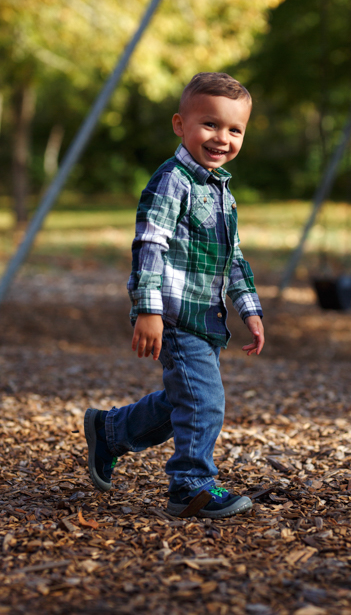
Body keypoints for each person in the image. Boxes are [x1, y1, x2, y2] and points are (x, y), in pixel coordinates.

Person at [84, 72, 265, 520]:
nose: (221, 137)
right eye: (210, 124)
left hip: (207, 318)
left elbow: (233, 259)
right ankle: (190, 487)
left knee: (183, 398)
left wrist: (250, 310)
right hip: (176, 315)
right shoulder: (172, 181)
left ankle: (110, 431)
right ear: (180, 125)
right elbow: (150, 244)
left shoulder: (222, 191)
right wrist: (148, 309)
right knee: (204, 400)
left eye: (234, 129)